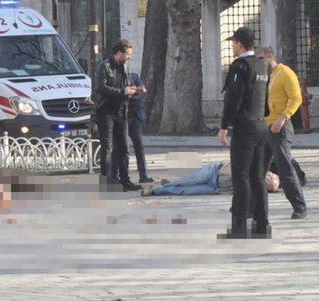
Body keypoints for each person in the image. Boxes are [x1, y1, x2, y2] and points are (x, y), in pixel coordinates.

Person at [217, 27, 270, 238]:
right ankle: (262, 225)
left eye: (233, 42)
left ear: (239, 43)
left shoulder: (240, 66)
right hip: (261, 124)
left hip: (245, 127)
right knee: (258, 177)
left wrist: (224, 127)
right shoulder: (262, 64)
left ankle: (239, 228)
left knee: (241, 177)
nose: (232, 46)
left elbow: (234, 99)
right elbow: (264, 98)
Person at [255, 45, 308, 219]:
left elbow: (296, 98)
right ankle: (252, 207)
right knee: (258, 169)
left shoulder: (285, 73)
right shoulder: (262, 77)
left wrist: (283, 117)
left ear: (270, 58)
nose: (258, 62)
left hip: (281, 127)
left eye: (261, 58)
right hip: (264, 128)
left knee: (284, 166)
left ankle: (299, 206)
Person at [95, 39, 142, 192]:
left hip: (122, 111)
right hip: (106, 112)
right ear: (119, 53)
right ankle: (107, 182)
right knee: (107, 148)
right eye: (127, 54)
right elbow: (102, 88)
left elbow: (126, 84)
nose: (129, 57)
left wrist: (134, 90)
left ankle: (125, 180)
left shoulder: (126, 67)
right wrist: (122, 92)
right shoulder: (104, 66)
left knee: (124, 147)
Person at [141, 161, 280, 196]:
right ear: (269, 175)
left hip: (215, 188)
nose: (266, 186)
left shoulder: (254, 190)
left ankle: (156, 190)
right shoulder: (255, 167)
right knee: (186, 181)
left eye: (269, 189)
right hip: (213, 172)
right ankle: (159, 185)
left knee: (185, 192)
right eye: (269, 183)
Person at [127, 73, 153, 183]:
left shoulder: (135, 77)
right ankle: (121, 176)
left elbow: (143, 93)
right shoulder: (115, 78)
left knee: (139, 144)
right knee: (122, 148)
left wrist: (133, 95)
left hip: (135, 116)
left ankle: (143, 175)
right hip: (122, 117)